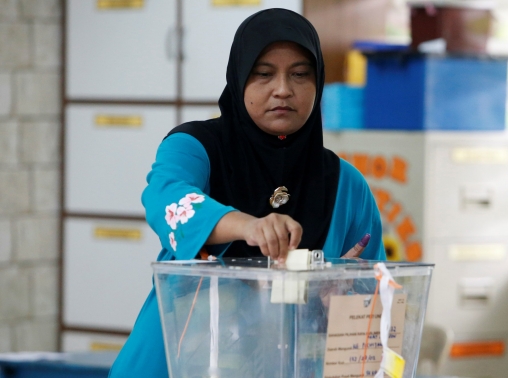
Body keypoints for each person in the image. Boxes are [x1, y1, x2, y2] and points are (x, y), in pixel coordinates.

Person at [109, 8, 385, 377]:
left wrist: (343, 297)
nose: (283, 89)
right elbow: (167, 199)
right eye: (263, 74)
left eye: (301, 74)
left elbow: (378, 304)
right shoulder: (195, 147)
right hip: (178, 362)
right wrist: (247, 226)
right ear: (239, 78)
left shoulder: (345, 182)